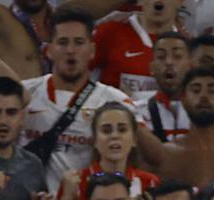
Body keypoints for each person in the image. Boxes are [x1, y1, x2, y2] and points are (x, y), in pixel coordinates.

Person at [19, 8, 133, 179]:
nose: (71, 50)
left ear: (92, 50)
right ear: (49, 50)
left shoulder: (115, 102)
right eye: (63, 42)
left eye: (79, 42)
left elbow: (145, 155)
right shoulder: (24, 94)